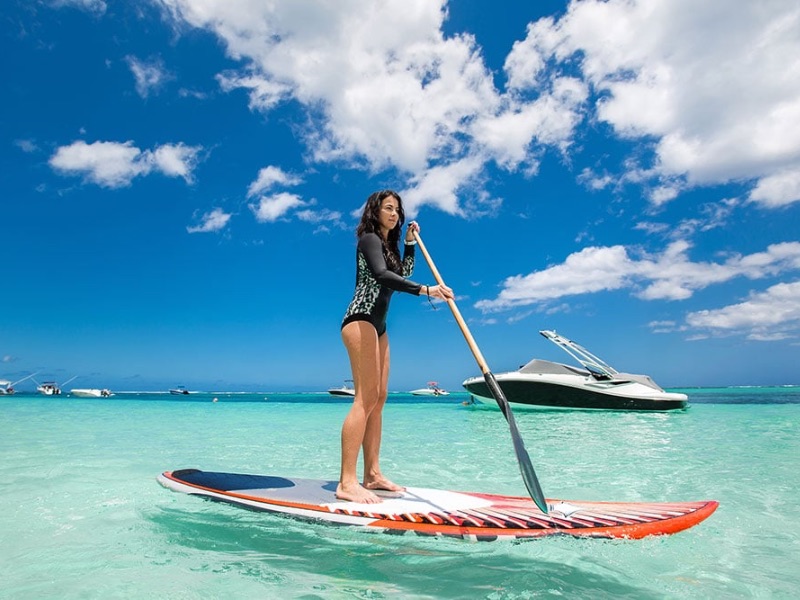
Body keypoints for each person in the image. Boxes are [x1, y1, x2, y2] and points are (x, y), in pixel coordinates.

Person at [337, 189, 454, 504]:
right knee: (364, 398)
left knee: (379, 398)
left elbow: (403, 273)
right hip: (360, 318)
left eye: (397, 211)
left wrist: (410, 243)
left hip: (380, 327)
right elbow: (382, 275)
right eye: (388, 208)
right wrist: (427, 290)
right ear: (375, 211)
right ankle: (347, 482)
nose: (394, 214)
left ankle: (372, 474)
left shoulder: (388, 246)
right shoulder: (369, 240)